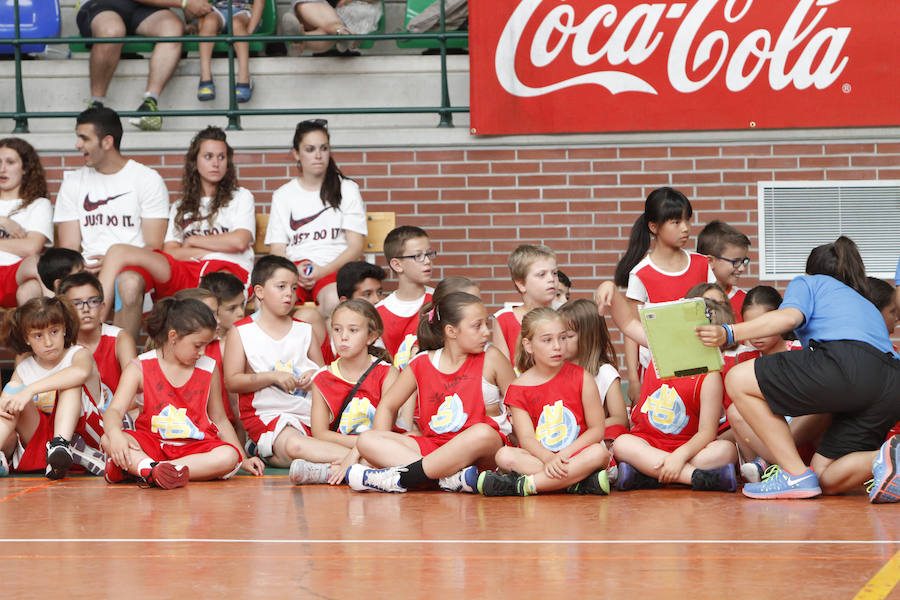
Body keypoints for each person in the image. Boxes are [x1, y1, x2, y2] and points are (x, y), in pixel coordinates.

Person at [696, 237, 900, 501]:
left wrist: (729, 332)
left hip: (849, 364)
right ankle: (888, 455)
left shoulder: (810, 282)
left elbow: (789, 318)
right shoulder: (863, 301)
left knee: (738, 378)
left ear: (810, 271)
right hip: (892, 383)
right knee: (825, 477)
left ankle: (794, 474)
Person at [346, 292, 511, 493]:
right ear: (451, 331)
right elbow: (388, 406)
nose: (486, 332)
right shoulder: (421, 362)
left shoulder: (492, 357)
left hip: (481, 450)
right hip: (434, 446)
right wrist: (380, 440)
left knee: (483, 433)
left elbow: (520, 405)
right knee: (367, 440)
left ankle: (402, 477)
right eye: (477, 326)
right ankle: (449, 479)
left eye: (486, 324)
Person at [95, 127, 254, 323]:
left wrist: (194, 241)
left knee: (217, 292)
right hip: (186, 269)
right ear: (195, 161)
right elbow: (171, 252)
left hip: (226, 272)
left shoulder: (241, 197)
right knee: (118, 253)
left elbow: (239, 241)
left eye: (221, 157)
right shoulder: (181, 206)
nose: (216, 163)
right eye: (209, 156)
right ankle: (97, 325)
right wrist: (213, 248)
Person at [102, 297, 263, 488]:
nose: (202, 352)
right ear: (173, 337)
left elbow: (219, 419)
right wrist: (116, 434)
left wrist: (242, 459)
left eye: (206, 345)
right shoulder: (139, 367)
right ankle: (152, 469)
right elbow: (114, 411)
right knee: (108, 439)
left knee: (229, 456)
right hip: (154, 444)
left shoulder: (208, 368)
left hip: (195, 448)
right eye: (197, 345)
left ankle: (148, 469)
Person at [53, 106, 169, 341]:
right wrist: (81, 267)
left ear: (107, 142)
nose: (78, 145)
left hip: (132, 267)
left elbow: (153, 245)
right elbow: (69, 248)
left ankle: (119, 358)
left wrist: (111, 262)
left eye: (84, 138)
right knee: (58, 283)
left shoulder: (147, 179)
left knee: (128, 283)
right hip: (87, 267)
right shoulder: (74, 182)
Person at [602, 294, 738, 493]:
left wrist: (679, 456)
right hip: (648, 441)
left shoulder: (710, 377)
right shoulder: (659, 351)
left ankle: (647, 475)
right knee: (622, 444)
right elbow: (628, 323)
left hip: (689, 447)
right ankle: (695, 477)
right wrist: (612, 291)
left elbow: (707, 433)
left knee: (726, 451)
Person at [477, 307, 611, 497]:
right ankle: (575, 482)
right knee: (503, 456)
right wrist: (549, 458)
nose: (557, 346)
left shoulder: (583, 378)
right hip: (540, 458)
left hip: (575, 454)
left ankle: (526, 485)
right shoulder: (518, 388)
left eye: (562, 338)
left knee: (599, 453)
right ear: (528, 345)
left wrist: (563, 456)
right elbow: (527, 439)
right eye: (547, 340)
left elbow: (597, 430)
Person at [603, 187, 714, 408]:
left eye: (687, 220)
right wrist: (633, 379)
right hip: (658, 370)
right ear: (654, 227)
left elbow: (716, 311)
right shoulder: (641, 274)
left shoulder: (702, 264)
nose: (686, 228)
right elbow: (631, 329)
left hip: (701, 363)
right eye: (676, 222)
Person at [224, 255, 335, 468]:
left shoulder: (305, 330)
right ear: (259, 292)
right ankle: (363, 460)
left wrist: (314, 377)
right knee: (295, 447)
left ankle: (340, 464)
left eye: (294, 288)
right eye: (281, 286)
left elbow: (325, 378)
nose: (289, 294)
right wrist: (272, 377)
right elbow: (233, 382)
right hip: (266, 416)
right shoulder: (241, 332)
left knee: (298, 452)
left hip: (309, 415)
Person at [265, 119, 366, 320]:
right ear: (296, 153)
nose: (318, 155)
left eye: (324, 148)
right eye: (310, 149)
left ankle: (316, 332)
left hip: (333, 268)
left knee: (335, 302)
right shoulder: (283, 195)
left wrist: (322, 271)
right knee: (270, 301)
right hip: (294, 270)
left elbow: (356, 247)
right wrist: (294, 272)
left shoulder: (347, 189)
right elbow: (277, 250)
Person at [291, 299, 398, 485]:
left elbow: (384, 431)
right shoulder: (322, 377)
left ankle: (331, 471)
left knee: (409, 440)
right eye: (337, 329)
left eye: (353, 330)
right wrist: (359, 447)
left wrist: (365, 446)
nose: (343, 337)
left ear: (371, 336)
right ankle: (362, 466)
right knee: (295, 444)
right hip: (344, 447)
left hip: (381, 443)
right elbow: (320, 433)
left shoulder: (388, 373)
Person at [0, 297, 106, 479]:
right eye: (38, 336)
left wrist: (29, 390)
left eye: (54, 331)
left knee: (70, 382)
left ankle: (60, 444)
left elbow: (80, 373)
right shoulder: (24, 368)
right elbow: (7, 409)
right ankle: (54, 454)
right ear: (26, 339)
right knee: (12, 388)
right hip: (42, 443)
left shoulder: (78, 354)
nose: (48, 342)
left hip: (86, 436)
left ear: (64, 329)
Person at [76, 0, 200, 130]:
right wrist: (185, 3)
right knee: (112, 31)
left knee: (173, 28)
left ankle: (149, 103)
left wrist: (194, 20)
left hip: (144, 9)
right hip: (101, 4)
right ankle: (95, 105)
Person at [58, 272, 137, 411]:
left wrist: (111, 413)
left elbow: (134, 390)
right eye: (77, 303)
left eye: (93, 302)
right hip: (75, 415)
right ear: (64, 310)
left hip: (117, 413)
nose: (86, 309)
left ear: (102, 306)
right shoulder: (59, 342)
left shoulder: (120, 338)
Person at [558, 299, 628, 442]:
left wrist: (585, 429)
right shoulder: (553, 370)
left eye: (567, 337)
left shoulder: (605, 373)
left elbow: (620, 419)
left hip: (589, 441)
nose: (558, 343)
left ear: (588, 337)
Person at [0, 138, 53, 306]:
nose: (2, 169)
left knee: (37, 264)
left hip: (15, 273)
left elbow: (31, 247)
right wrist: (3, 221)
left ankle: (58, 313)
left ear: (25, 168)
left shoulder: (38, 204)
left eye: (10, 162)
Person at [375, 225, 434, 369]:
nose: (427, 261)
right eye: (418, 256)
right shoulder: (378, 313)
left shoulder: (440, 300)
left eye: (428, 254)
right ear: (397, 265)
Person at [492, 244, 559, 366]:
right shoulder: (504, 319)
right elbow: (502, 369)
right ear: (521, 284)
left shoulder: (565, 313)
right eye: (542, 274)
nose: (551, 279)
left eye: (554, 273)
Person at [191, 0, 264, 102]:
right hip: (219, 10)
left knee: (236, 24)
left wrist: (249, 31)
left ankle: (244, 77)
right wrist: (202, 25)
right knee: (210, 21)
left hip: (244, 12)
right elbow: (201, 3)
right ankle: (205, 76)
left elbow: (259, 2)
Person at [697, 220, 752, 321]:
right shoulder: (692, 298)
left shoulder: (746, 301)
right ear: (710, 261)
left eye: (743, 261)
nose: (742, 268)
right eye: (736, 262)